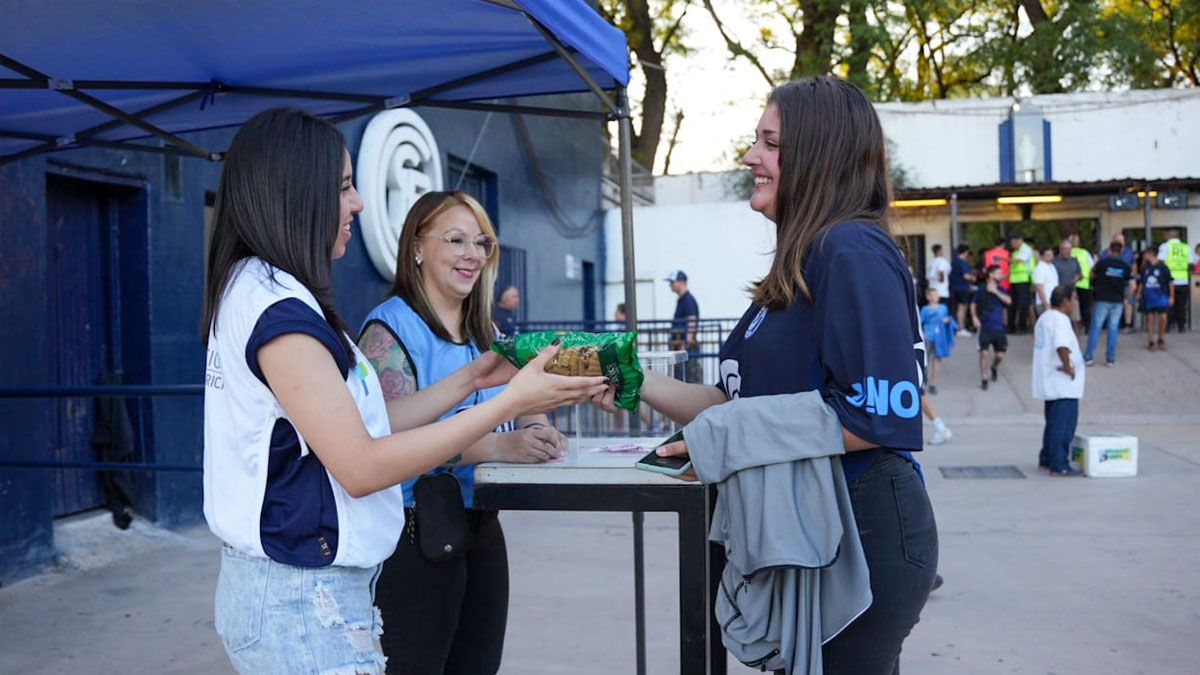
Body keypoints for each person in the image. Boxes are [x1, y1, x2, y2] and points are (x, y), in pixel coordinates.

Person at [200, 109, 604, 674]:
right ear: (298, 193)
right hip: (299, 604)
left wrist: (474, 379)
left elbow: (369, 425)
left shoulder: (262, 291)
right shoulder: (282, 314)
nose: (359, 204)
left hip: (306, 595)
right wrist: (511, 407)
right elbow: (362, 464)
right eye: (343, 188)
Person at [595, 76, 937, 673]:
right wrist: (627, 373)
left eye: (770, 143)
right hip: (810, 530)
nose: (751, 156)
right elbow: (730, 404)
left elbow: (878, 414)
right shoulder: (802, 261)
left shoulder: (850, 248)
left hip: (858, 532)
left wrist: (715, 439)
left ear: (817, 153)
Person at [358, 192, 573, 674]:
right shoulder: (388, 331)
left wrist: (536, 426)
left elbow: (523, 397)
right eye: (455, 240)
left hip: (479, 521)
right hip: (415, 531)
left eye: (482, 242)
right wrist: (498, 444)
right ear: (416, 246)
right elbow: (383, 442)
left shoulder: (485, 328)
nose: (472, 254)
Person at [1033, 285, 1085, 476]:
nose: (1075, 303)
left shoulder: (1044, 318)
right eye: (1074, 299)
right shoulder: (1061, 320)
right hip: (1063, 384)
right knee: (1063, 426)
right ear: (1064, 301)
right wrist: (1068, 366)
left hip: (1049, 380)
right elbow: (1062, 346)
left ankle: (1046, 457)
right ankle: (1059, 463)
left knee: (1052, 423)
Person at [1084, 241, 1134, 367]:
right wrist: (1127, 297)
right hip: (1117, 301)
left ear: (1109, 250)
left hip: (1102, 299)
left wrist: (1094, 285)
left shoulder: (1102, 263)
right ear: (1121, 251)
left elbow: (1091, 275)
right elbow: (1133, 285)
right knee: (1113, 329)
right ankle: (1110, 359)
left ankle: (1088, 357)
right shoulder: (1125, 266)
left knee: (1096, 328)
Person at [971, 264, 1011, 390]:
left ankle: (993, 367)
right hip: (985, 327)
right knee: (984, 353)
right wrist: (974, 317)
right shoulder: (981, 289)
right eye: (999, 273)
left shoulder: (1001, 289)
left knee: (1000, 356)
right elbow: (973, 304)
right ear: (991, 275)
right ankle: (984, 377)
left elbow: (1008, 301)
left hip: (999, 328)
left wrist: (995, 292)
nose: (1001, 275)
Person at [665, 270, 703, 383]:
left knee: (689, 381)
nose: (670, 285)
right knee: (683, 380)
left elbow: (692, 323)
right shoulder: (683, 300)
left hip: (685, 350)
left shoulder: (688, 300)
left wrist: (686, 346)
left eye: (672, 282)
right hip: (681, 350)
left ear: (681, 282)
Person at [1137, 247, 1175, 351]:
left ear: (1150, 254)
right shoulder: (1145, 267)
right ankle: (1151, 341)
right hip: (1149, 297)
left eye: (1146, 254)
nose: (1144, 256)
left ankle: (1161, 338)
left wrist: (1171, 297)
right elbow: (1142, 282)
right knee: (1150, 319)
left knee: (1163, 317)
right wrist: (1138, 293)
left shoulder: (1163, 267)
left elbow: (1170, 282)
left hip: (1161, 296)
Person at [1158, 229, 1194, 333]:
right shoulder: (1186, 247)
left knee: (1169, 304)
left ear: (1168, 236)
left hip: (1169, 281)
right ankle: (1181, 327)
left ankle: (1168, 326)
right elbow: (1190, 263)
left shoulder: (1165, 246)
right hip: (1183, 280)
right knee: (1181, 305)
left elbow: (1161, 261)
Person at [919, 287, 951, 395]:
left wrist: (947, 321)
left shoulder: (943, 308)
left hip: (939, 338)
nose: (935, 297)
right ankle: (924, 377)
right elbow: (920, 322)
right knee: (925, 360)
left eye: (936, 295)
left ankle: (933, 384)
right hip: (928, 337)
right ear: (928, 297)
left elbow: (947, 319)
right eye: (932, 295)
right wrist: (921, 333)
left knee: (937, 360)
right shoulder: (925, 309)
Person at [1051, 240, 1083, 332]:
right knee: (1060, 319)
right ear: (1060, 250)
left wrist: (1078, 277)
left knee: (1075, 319)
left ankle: (1076, 340)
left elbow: (1080, 274)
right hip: (1059, 294)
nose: (1067, 251)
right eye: (1065, 249)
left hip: (1072, 293)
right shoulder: (1054, 262)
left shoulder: (1074, 260)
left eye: (1069, 249)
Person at [1007, 232, 1034, 333]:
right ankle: (1011, 326)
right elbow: (1012, 267)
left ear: (1019, 240)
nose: (1012, 245)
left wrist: (1003, 258)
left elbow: (1017, 261)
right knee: (1012, 305)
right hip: (1014, 281)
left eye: (1013, 242)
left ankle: (1022, 327)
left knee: (1022, 305)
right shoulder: (1016, 252)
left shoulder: (1026, 249)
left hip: (1024, 280)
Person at [1069, 234, 1095, 332]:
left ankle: (1075, 328)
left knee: (1072, 307)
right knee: (1086, 307)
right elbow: (1092, 266)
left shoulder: (1068, 253)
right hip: (1085, 283)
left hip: (1071, 284)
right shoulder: (1084, 253)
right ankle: (1087, 327)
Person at [950, 244, 976, 336]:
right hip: (963, 288)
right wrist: (973, 278)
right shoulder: (963, 262)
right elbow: (966, 276)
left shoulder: (954, 262)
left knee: (957, 308)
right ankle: (961, 328)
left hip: (955, 288)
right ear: (966, 252)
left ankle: (958, 327)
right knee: (962, 308)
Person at [1033, 245, 1059, 317]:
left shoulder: (1052, 266)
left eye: (1051, 255)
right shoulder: (1040, 268)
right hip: (1044, 302)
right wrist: (1046, 304)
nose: (1051, 257)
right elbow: (1039, 287)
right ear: (1042, 256)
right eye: (1048, 255)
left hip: (1053, 301)